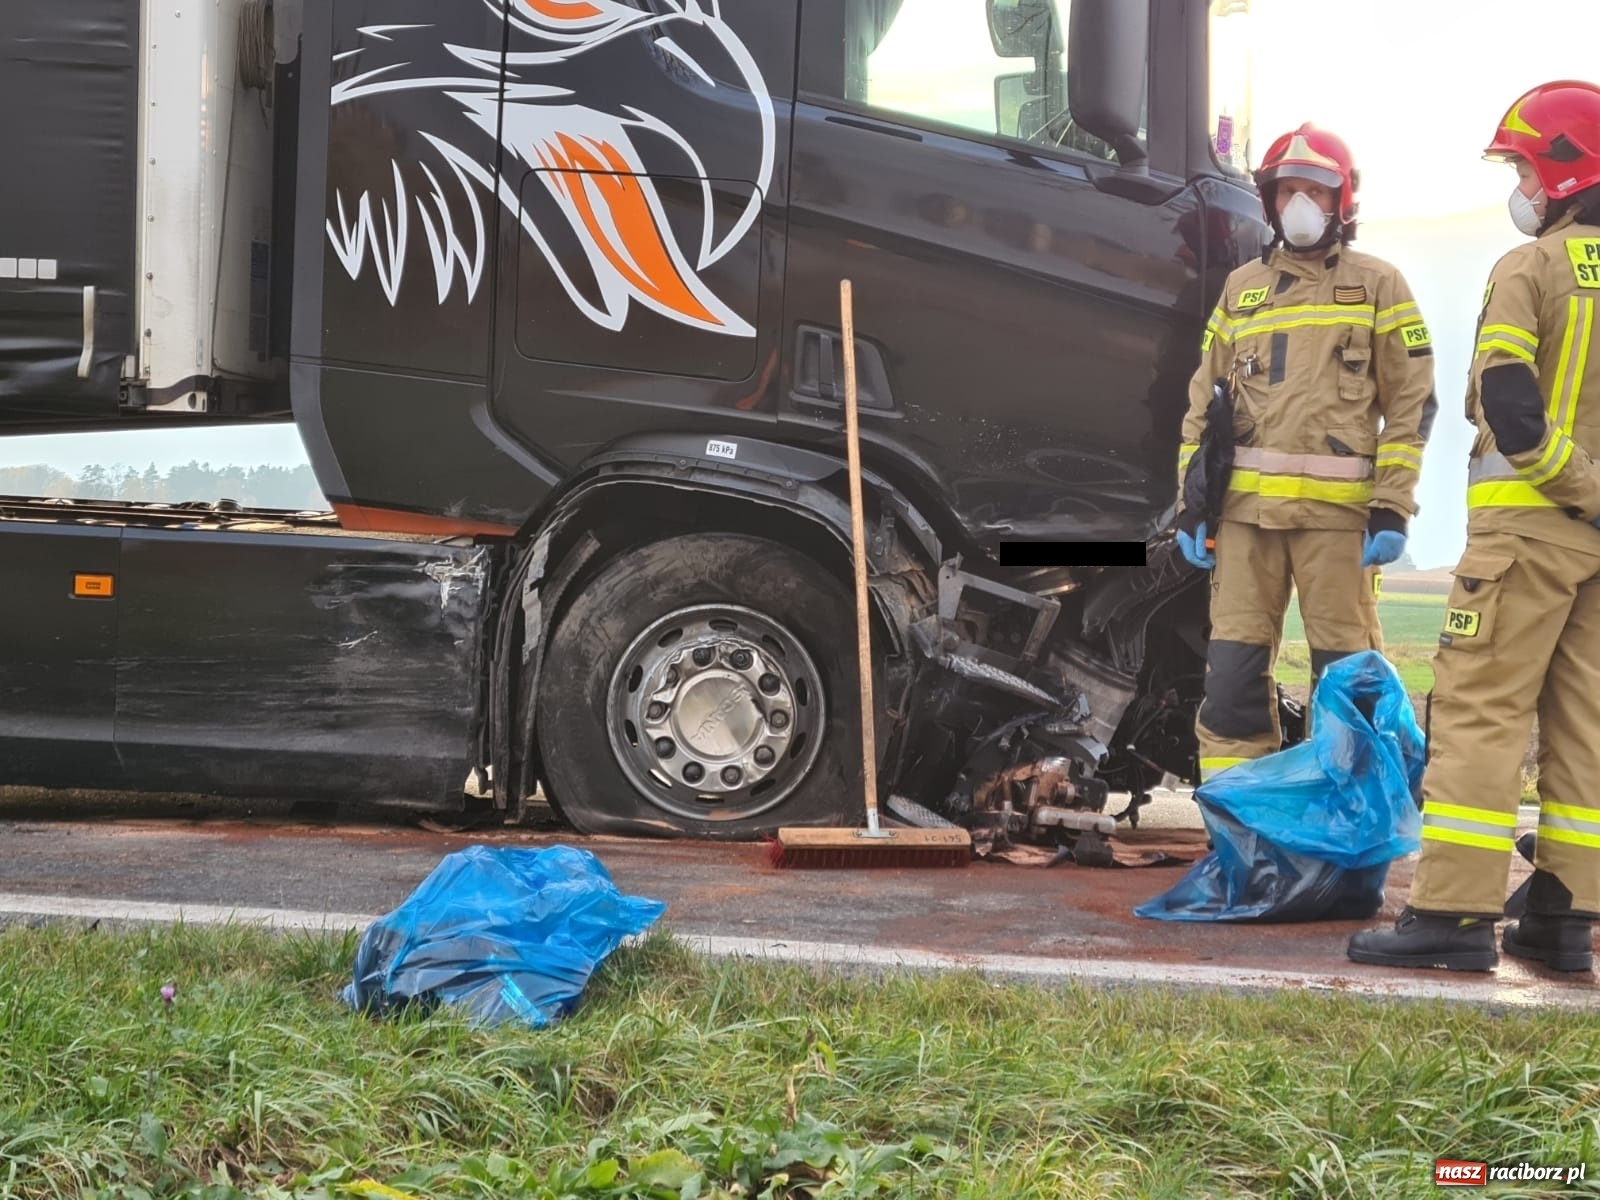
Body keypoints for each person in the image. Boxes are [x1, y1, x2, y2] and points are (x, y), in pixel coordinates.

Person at [1349, 80, 1600, 973]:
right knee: (1584, 730)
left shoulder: (1529, 268)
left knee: (1480, 716)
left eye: (1526, 166)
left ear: (1566, 171)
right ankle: (1564, 926)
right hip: (1596, 554)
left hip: (1525, 538)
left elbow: (1508, 402)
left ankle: (1452, 918)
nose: (1519, 185)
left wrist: (1576, 485)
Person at [1175, 124, 1438, 784]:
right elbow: (1202, 403)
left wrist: (1392, 511)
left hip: (1338, 528)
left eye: (1313, 191)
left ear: (1340, 201)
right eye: (1286, 190)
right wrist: (1191, 502)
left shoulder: (1380, 284)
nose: (1298, 203)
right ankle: (1237, 830)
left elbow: (1412, 405)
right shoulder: (1242, 289)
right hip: (1242, 522)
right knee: (1232, 682)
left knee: (1346, 683)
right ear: (1268, 201)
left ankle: (1347, 833)